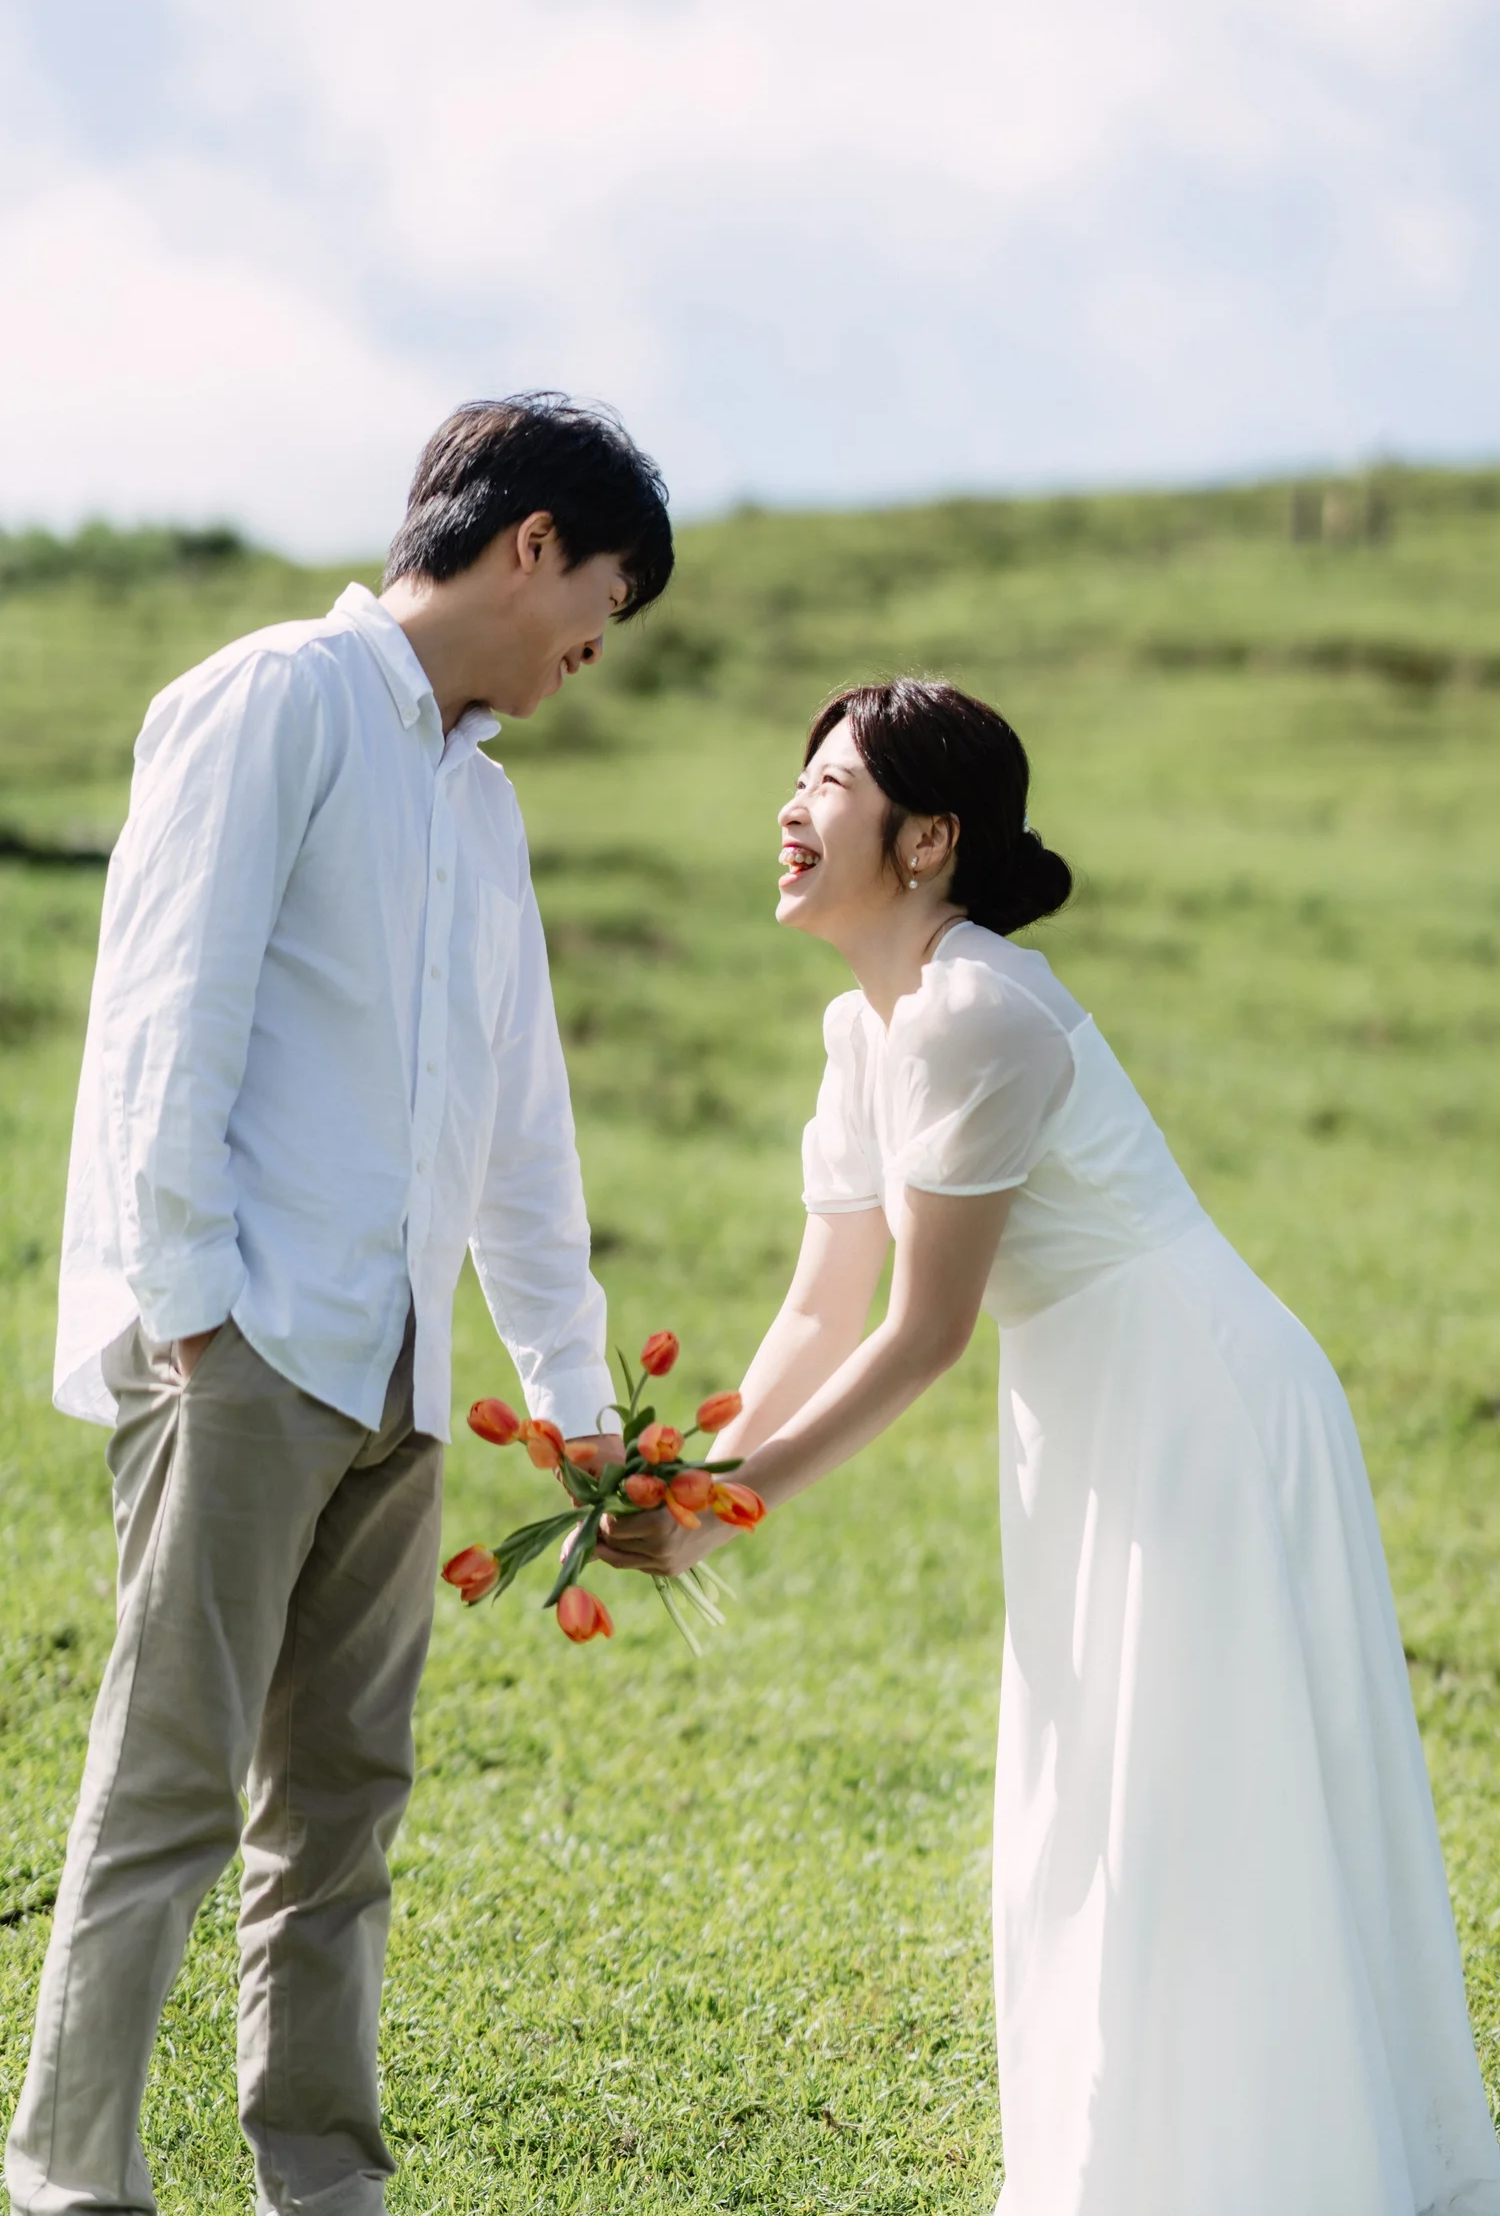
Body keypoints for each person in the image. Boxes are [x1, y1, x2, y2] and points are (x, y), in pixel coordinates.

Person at [600, 677, 1500, 2214]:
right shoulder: (863, 1026)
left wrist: (726, 1509)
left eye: (832, 784)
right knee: (1091, 1793)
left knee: (1192, 1796)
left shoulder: (978, 1012)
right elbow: (820, 1306)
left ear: (929, 838)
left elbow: (923, 1332)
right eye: (798, 778)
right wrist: (685, 1466)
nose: (791, 808)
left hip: (1200, 1405)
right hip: (1088, 1412)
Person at [6, 393, 669, 2216]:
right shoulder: (277, 696)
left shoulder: (483, 804)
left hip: (397, 1376)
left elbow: (519, 1127)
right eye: (603, 599)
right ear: (532, 541)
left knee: (345, 1806)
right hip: (243, 1342)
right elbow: (169, 1009)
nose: (596, 647)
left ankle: (324, 2186)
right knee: (170, 1781)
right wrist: (190, 1307)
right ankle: (72, 2179)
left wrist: (571, 1392)